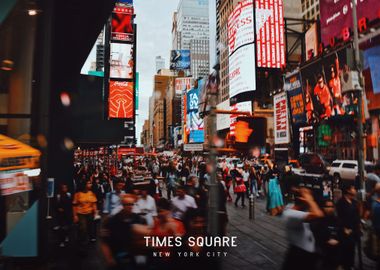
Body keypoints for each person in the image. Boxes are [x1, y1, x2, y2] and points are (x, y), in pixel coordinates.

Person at [282, 187, 324, 270]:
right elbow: (318, 214)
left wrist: (302, 193)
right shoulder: (291, 214)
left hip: (307, 252)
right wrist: (309, 200)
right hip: (299, 254)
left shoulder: (294, 207)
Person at [100, 194, 145, 270]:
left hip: (135, 257)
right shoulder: (112, 221)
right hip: (118, 256)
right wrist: (109, 258)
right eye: (127, 204)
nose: (129, 206)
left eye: (131, 204)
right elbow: (105, 242)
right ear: (122, 205)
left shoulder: (139, 219)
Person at [336, 185, 361, 270]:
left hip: (353, 231)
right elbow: (339, 218)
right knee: (343, 252)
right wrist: (344, 228)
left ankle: (350, 266)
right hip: (344, 232)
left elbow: (357, 216)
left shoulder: (354, 202)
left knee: (352, 251)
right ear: (348, 190)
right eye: (353, 188)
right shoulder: (341, 202)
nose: (355, 190)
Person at [313, 199, 340, 270]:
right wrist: (326, 241)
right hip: (322, 255)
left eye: (331, 207)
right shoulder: (318, 220)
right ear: (323, 207)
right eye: (327, 207)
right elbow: (316, 236)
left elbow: (340, 234)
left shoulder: (336, 220)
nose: (330, 209)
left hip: (335, 255)